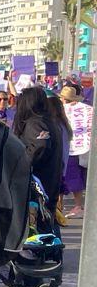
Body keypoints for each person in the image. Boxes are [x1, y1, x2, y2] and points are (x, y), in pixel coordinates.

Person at [13, 86, 64, 224]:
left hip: (38, 184)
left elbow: (40, 146)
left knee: (37, 226)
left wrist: (19, 165)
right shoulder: (50, 121)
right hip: (49, 181)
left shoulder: (35, 122)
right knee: (47, 223)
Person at [60, 83, 90, 219]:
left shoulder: (63, 110)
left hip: (72, 149)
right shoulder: (87, 109)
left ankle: (78, 206)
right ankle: (80, 205)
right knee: (82, 176)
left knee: (73, 177)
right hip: (85, 148)